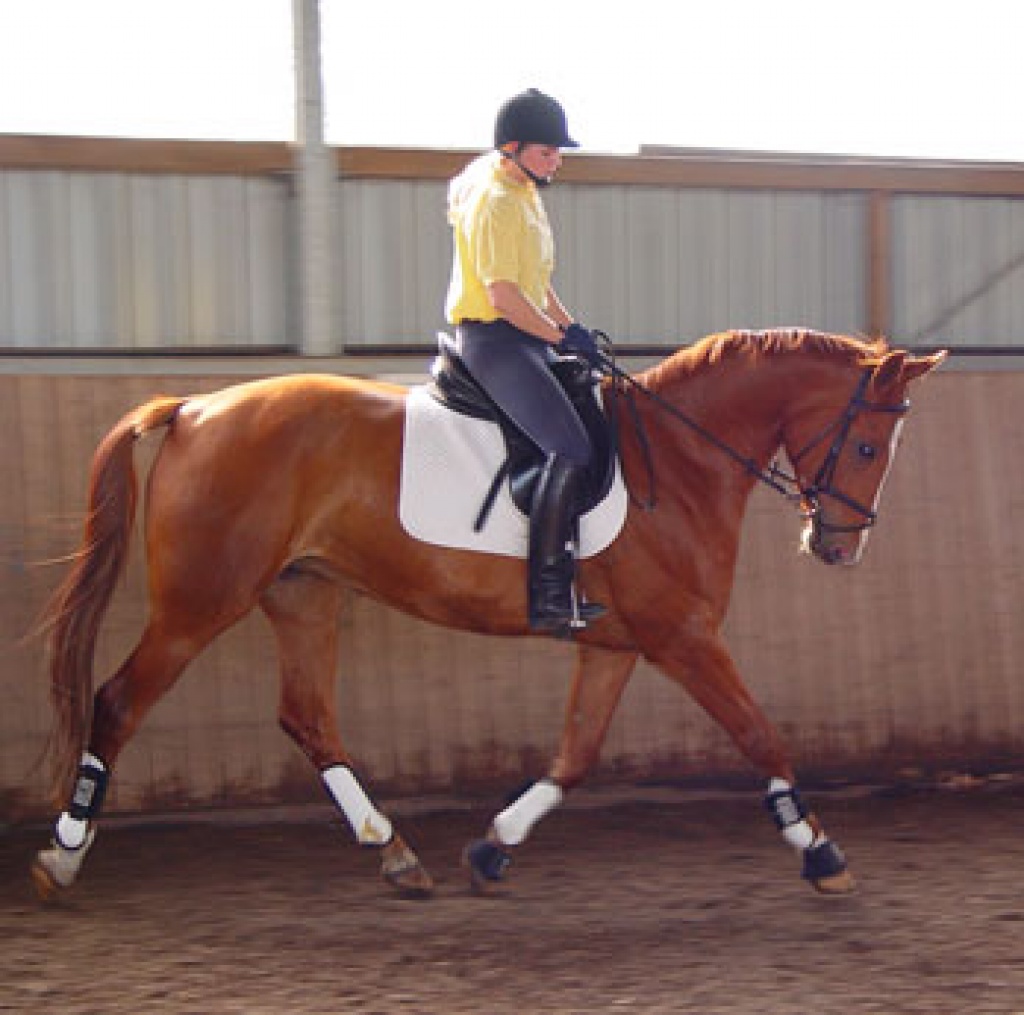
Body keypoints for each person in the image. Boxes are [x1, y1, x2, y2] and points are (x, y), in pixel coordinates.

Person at [444, 88, 607, 633]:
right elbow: (504, 296)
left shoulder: (526, 193)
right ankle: (548, 594)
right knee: (569, 445)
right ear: (511, 149)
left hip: (527, 337)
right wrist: (558, 339)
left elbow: (539, 285)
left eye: (559, 152)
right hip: (495, 341)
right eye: (547, 151)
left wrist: (571, 327)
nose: (556, 160)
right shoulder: (494, 202)